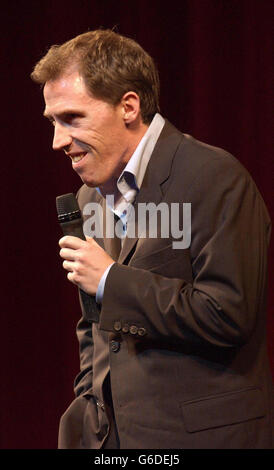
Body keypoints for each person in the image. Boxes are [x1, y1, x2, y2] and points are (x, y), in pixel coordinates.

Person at [31, 29, 273, 449]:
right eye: (53, 122)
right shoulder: (92, 195)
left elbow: (228, 312)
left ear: (128, 106)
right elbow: (94, 325)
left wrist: (111, 280)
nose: (58, 141)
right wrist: (88, 404)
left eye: (72, 118)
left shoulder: (213, 176)